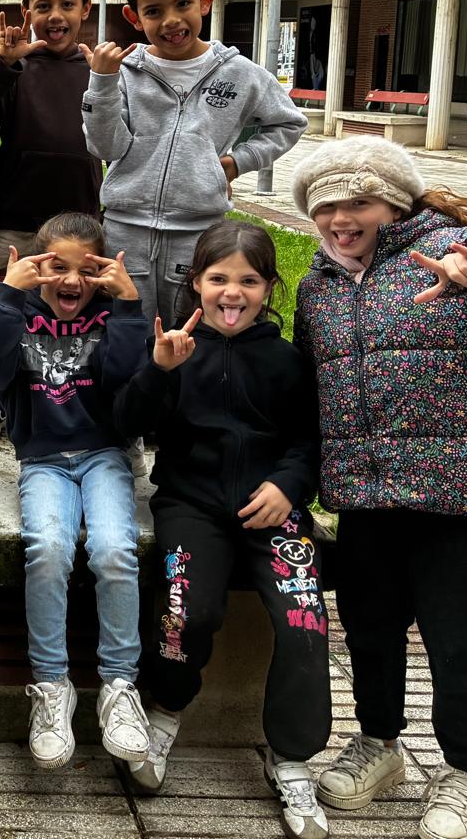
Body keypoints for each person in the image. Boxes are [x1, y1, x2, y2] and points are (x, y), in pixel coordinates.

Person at [291, 138, 467, 839]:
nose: (340, 219)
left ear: (393, 204)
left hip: (463, 490)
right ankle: (379, 744)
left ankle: (466, 772)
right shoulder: (318, 286)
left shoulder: (456, 249)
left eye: (357, 203)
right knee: (370, 631)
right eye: (324, 208)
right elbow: (307, 385)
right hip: (367, 493)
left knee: (459, 642)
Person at [113, 220, 330, 839]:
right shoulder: (176, 350)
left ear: (268, 288)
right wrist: (158, 370)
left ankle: (292, 759)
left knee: (304, 622)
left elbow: (309, 440)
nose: (232, 293)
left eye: (249, 281)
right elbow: (125, 422)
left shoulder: (288, 360)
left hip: (274, 510)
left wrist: (288, 485)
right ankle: (165, 711)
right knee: (188, 613)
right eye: (218, 279)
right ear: (196, 285)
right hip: (191, 507)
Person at [0, 212, 149, 772]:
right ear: (36, 267)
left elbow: (125, 374)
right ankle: (51, 686)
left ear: (104, 272)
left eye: (86, 270)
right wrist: (6, 293)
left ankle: (120, 686)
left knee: (114, 549)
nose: (71, 281)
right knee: (47, 549)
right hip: (43, 460)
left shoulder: (110, 314)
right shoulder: (19, 311)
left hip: (104, 454)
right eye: (57, 267)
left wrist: (128, 305)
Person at [80, 0, 306, 323]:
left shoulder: (239, 73)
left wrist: (236, 162)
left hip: (199, 234)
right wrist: (102, 83)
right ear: (134, 17)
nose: (171, 20)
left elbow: (290, 122)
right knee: (122, 328)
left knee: (193, 330)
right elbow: (105, 147)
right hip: (124, 232)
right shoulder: (125, 72)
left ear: (205, 0)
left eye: (182, 3)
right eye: (154, 11)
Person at [0, 0, 102, 440]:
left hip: (80, 223)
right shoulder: (16, 68)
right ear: (27, 11)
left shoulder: (97, 71)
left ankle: (67, 393)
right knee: (10, 308)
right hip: (17, 218)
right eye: (43, 5)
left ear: (85, 9)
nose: (55, 16)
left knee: (72, 314)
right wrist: (2, 62)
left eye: (67, 4)